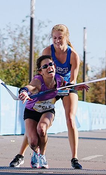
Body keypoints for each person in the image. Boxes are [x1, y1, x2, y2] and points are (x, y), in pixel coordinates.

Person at [10, 24, 84, 169]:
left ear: (66, 38)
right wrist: (31, 89)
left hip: (65, 86)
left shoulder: (73, 55)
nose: (57, 41)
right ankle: (21, 155)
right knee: (35, 116)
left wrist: (65, 87)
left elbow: (73, 80)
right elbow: (40, 73)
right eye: (54, 38)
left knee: (70, 117)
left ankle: (74, 158)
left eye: (60, 38)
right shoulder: (47, 51)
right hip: (50, 87)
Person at [16, 55, 88, 169]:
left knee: (42, 129)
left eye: (51, 64)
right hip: (32, 111)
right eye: (45, 66)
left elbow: (67, 85)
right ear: (41, 71)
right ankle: (36, 152)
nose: (49, 67)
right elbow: (29, 87)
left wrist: (76, 86)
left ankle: (42, 156)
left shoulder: (59, 79)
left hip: (47, 111)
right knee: (33, 142)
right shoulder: (38, 81)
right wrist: (24, 92)